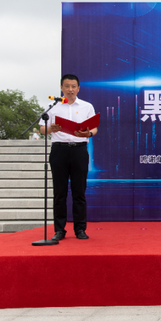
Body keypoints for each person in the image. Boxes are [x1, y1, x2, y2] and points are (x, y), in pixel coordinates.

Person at [39, 74, 97, 241]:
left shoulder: (87, 106)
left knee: (79, 192)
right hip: (59, 150)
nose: (70, 89)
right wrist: (51, 129)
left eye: (73, 86)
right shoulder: (52, 107)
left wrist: (88, 133)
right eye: (67, 86)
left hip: (79, 150)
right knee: (60, 192)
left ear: (78, 88)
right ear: (61, 88)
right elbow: (42, 129)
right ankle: (59, 230)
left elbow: (94, 128)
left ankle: (80, 229)